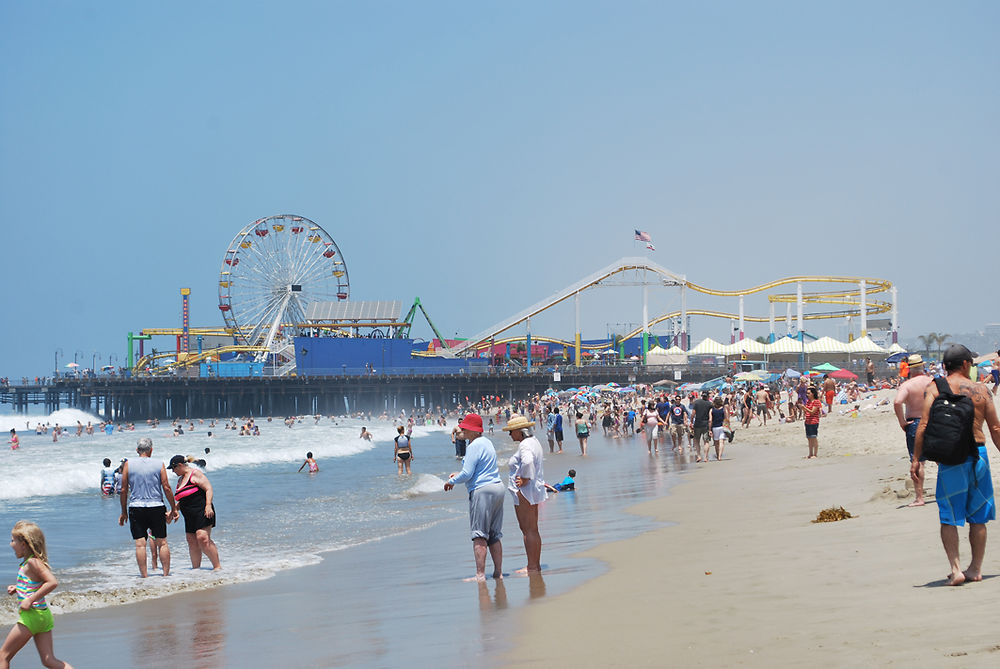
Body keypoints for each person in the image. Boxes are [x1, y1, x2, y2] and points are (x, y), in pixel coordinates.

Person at [912, 344, 1000, 586]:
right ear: (965, 364)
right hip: (978, 455)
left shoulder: (935, 387)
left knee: (949, 516)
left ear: (944, 366)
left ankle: (956, 568)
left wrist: (916, 459)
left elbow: (923, 425)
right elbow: (995, 429)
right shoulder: (981, 389)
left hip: (951, 458)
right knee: (978, 516)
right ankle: (976, 569)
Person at [1, 521, 74, 669]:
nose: (10, 544)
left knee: (3, 656)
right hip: (42, 616)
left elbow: (52, 582)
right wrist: (18, 588)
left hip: (32, 616)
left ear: (24, 544)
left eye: (13, 540)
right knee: (48, 660)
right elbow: (34, 583)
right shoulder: (29, 563)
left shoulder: (33, 563)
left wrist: (30, 599)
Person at [444, 414, 504, 582]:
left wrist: (451, 481)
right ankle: (498, 572)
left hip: (482, 491)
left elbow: (468, 474)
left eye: (463, 429)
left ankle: (480, 574)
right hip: (497, 487)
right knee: (494, 534)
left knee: (479, 535)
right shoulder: (487, 442)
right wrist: (459, 474)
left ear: (472, 430)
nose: (460, 431)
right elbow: (480, 468)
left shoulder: (473, 446)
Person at [118, 438, 178, 577]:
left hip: (136, 506)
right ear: (151, 450)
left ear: (137, 450)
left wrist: (123, 511)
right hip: (156, 506)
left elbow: (123, 490)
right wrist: (173, 507)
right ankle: (165, 575)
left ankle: (144, 576)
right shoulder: (159, 464)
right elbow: (166, 487)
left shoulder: (128, 464)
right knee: (162, 542)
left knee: (140, 544)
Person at [502, 414, 547, 573]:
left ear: (520, 432)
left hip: (526, 491)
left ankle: (532, 566)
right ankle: (535, 564)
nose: (510, 434)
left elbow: (527, 461)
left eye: (511, 431)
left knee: (528, 530)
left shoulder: (524, 445)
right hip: (534, 489)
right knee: (532, 529)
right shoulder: (534, 441)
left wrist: (526, 478)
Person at [168, 455, 221, 571]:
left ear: (180, 465)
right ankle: (196, 570)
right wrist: (173, 511)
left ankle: (217, 567)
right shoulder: (180, 480)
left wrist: (208, 505)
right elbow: (183, 500)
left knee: (203, 538)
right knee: (191, 541)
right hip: (189, 515)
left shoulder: (195, 474)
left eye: (173, 468)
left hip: (202, 510)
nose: (172, 471)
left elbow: (208, 488)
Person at [893, 354, 933, 507]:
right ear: (923, 366)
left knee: (919, 462)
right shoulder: (932, 382)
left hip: (915, 422)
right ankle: (948, 491)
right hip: (932, 421)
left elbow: (897, 402)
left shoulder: (908, 385)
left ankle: (920, 497)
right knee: (940, 460)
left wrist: (902, 421)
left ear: (909, 369)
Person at [706, 396, 729, 462]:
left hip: (714, 427)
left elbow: (710, 420)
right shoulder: (723, 409)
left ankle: (717, 454)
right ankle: (719, 456)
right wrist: (727, 427)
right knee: (721, 442)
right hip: (722, 427)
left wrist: (709, 429)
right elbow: (726, 418)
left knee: (716, 443)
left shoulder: (712, 410)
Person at [803, 387, 822, 459]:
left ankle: (815, 454)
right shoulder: (808, 401)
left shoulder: (816, 401)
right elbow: (807, 411)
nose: (807, 395)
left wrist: (804, 408)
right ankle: (810, 453)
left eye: (809, 393)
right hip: (807, 421)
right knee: (809, 438)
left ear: (813, 393)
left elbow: (812, 412)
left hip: (814, 421)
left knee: (814, 437)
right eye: (807, 393)